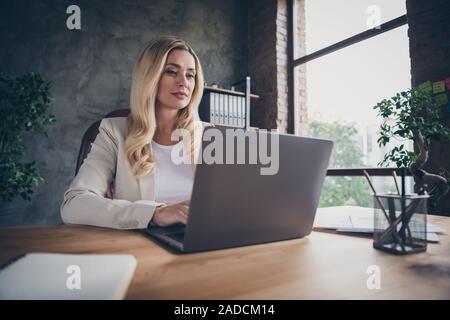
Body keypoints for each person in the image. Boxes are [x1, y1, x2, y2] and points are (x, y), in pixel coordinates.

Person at [61, 36, 208, 229]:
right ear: (149, 77)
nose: (184, 82)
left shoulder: (213, 136)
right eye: (171, 72)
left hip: (206, 245)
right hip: (143, 247)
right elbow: (74, 204)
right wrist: (155, 213)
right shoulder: (114, 131)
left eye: (190, 75)